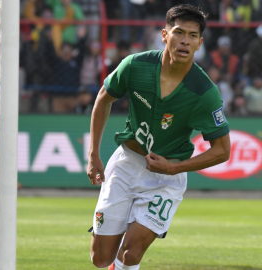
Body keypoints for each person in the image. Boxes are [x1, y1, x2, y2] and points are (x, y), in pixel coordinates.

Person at [87, 5, 231, 269]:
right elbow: (102, 99)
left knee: (131, 252)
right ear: (164, 35)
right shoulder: (135, 65)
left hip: (167, 179)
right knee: (100, 257)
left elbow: (222, 151)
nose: (184, 40)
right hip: (126, 162)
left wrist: (172, 167)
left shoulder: (204, 92)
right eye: (178, 32)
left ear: (200, 43)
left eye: (192, 35)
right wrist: (93, 154)